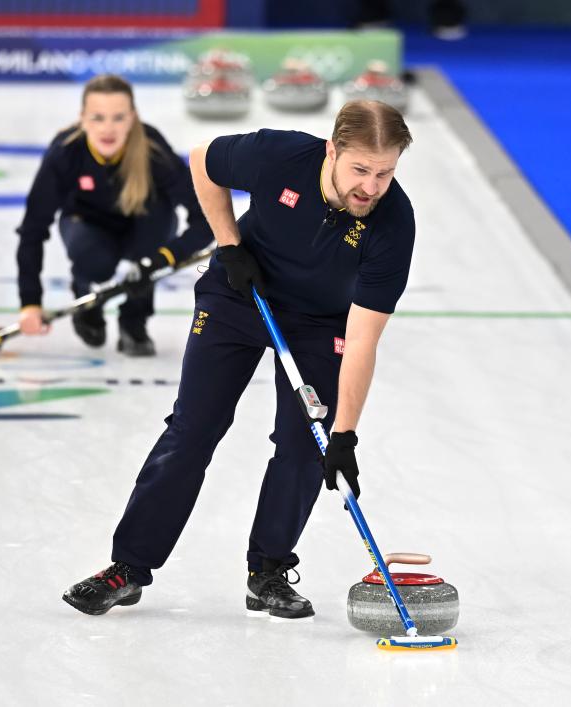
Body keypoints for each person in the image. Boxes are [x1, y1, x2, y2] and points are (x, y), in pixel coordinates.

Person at [63, 100, 415, 619]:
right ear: (332, 151)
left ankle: (268, 571)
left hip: (320, 324)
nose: (371, 186)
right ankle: (129, 568)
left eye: (385, 173)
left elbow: (362, 340)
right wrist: (230, 246)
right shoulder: (279, 155)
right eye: (360, 170)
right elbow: (202, 160)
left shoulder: (393, 223)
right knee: (192, 429)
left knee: (305, 446)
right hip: (239, 295)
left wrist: (344, 435)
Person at [15, 74, 213, 355]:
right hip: (87, 223)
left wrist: (162, 259)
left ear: (132, 118)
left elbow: (205, 218)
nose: (108, 128)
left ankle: (134, 320)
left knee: (151, 242)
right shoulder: (65, 153)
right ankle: (86, 301)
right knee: (94, 262)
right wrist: (30, 303)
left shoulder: (153, 150)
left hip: (145, 226)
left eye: (118, 118)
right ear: (83, 119)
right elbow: (32, 230)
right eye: (98, 118)